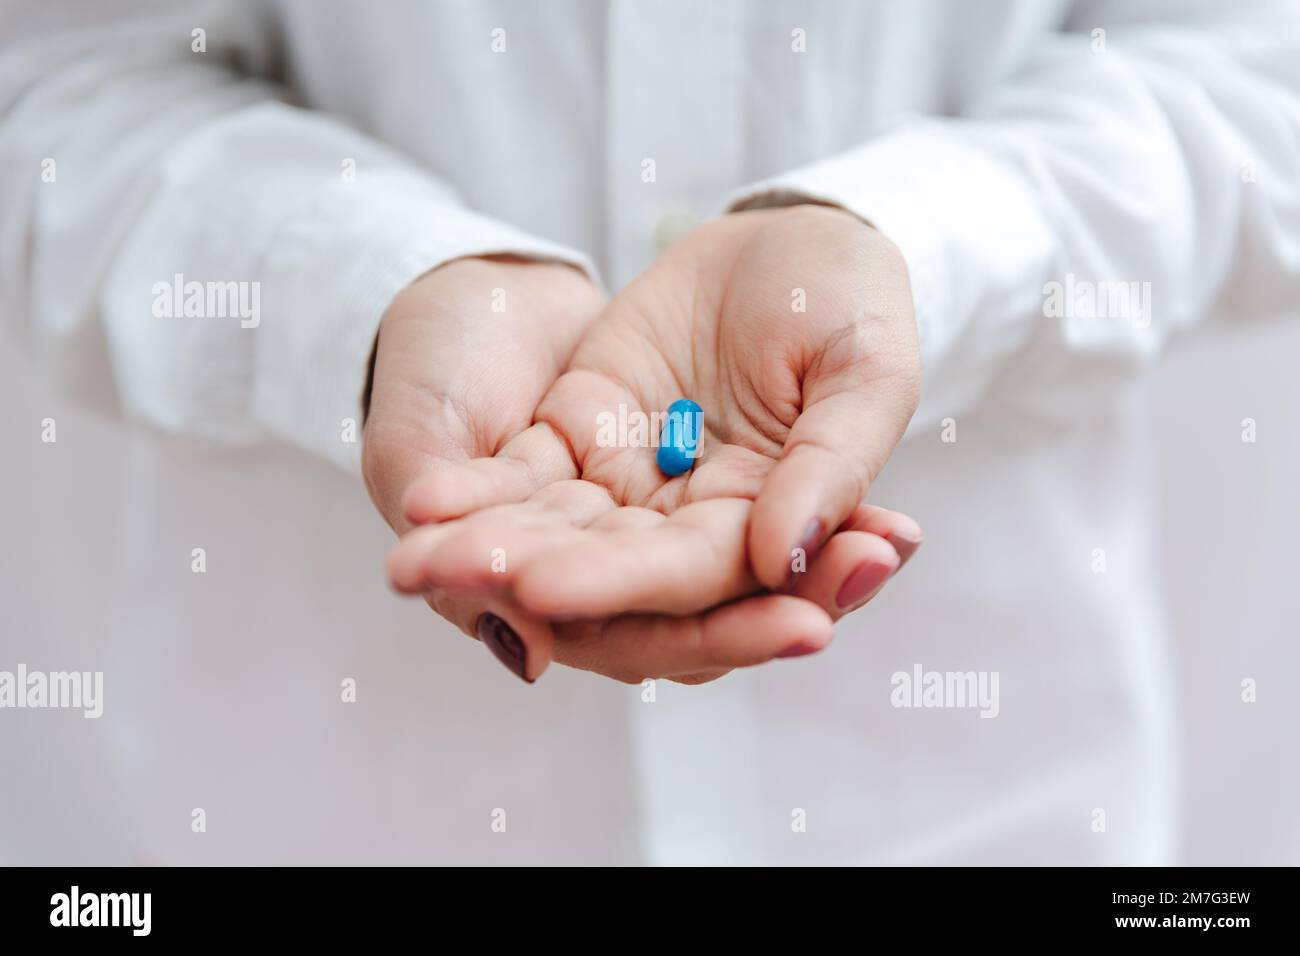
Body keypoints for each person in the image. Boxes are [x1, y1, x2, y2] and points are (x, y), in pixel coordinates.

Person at [2, 0, 1297, 865]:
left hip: (995, 806)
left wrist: (919, 242)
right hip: (334, 809)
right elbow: (50, 89)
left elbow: (1260, 80)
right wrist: (375, 290)